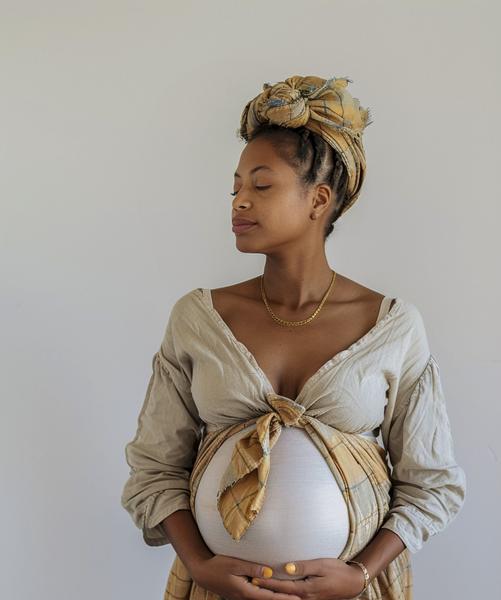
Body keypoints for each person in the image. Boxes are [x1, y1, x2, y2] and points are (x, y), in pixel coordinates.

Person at [121, 75, 467, 600]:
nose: (239, 202)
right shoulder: (198, 319)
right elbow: (155, 466)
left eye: (261, 186)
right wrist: (201, 565)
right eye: (235, 187)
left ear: (318, 200)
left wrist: (360, 574)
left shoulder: (392, 326)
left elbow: (430, 482)